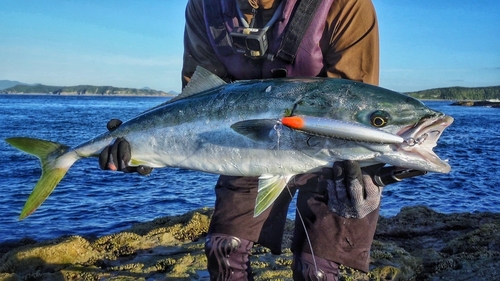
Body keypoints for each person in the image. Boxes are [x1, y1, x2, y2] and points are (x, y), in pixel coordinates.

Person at [100, 0, 422, 280]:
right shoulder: (204, 5)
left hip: (333, 154)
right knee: (223, 249)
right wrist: (144, 146)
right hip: (247, 142)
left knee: (317, 267)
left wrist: (374, 169)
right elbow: (199, 95)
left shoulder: (345, 4)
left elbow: (359, 106)